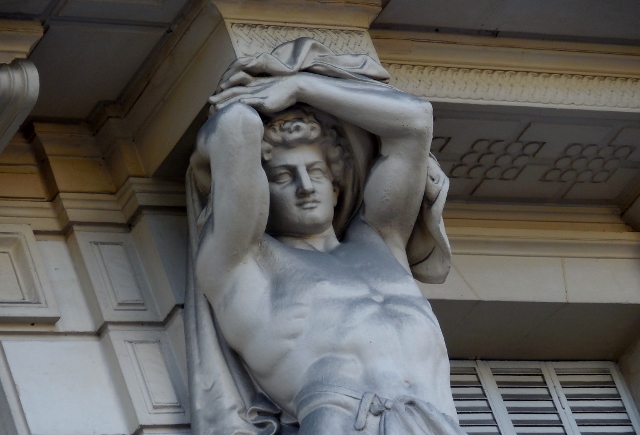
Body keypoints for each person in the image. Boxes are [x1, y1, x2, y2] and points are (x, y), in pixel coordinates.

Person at [186, 38, 460, 435]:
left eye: (315, 172)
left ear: (335, 184)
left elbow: (415, 122)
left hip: (432, 423)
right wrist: (258, 96)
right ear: (261, 193)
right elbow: (237, 126)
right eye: (284, 177)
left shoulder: (381, 241)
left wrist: (301, 86)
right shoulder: (242, 264)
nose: (304, 187)